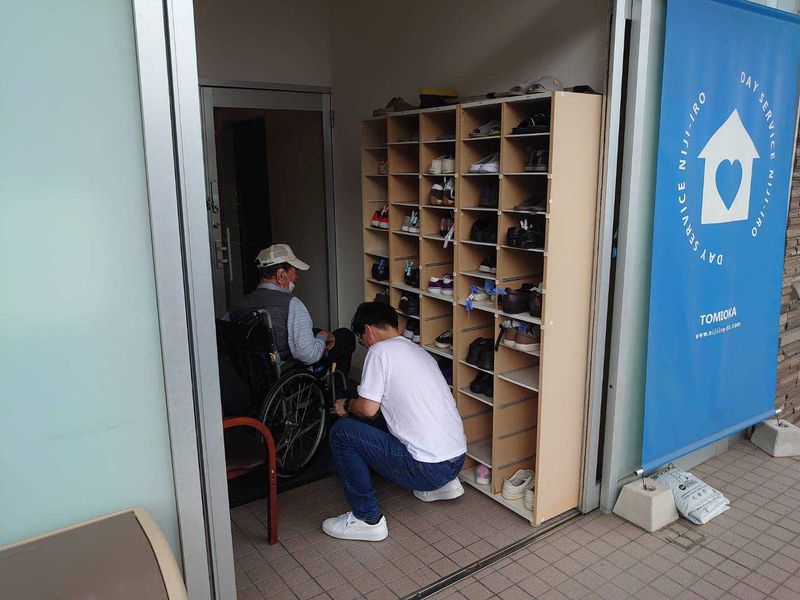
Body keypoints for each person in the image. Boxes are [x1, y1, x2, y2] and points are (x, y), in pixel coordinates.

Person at [322, 302, 467, 542]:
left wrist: (346, 405)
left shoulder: (379, 352)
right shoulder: (421, 352)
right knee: (382, 421)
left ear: (367, 331)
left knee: (342, 432)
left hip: (427, 469)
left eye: (361, 340)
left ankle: (367, 519)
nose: (365, 344)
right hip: (456, 460)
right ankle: (445, 486)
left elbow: (368, 409)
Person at [227, 244, 355, 376]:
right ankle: (338, 387)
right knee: (345, 336)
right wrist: (322, 337)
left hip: (251, 374)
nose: (296, 277)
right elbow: (308, 355)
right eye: (295, 271)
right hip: (286, 372)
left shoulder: (236, 306)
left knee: (315, 331)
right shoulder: (291, 304)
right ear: (281, 274)